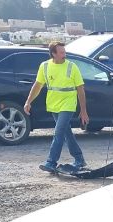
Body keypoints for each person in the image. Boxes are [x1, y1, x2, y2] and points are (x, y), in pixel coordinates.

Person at [24, 42, 89, 173]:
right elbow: (37, 85)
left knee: (58, 132)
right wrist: (28, 101)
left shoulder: (72, 66)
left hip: (68, 104)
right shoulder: (45, 66)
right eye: (61, 52)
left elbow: (80, 89)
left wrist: (83, 111)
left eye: (64, 52)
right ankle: (79, 158)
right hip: (53, 105)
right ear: (53, 54)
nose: (64, 54)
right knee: (66, 132)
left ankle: (51, 162)